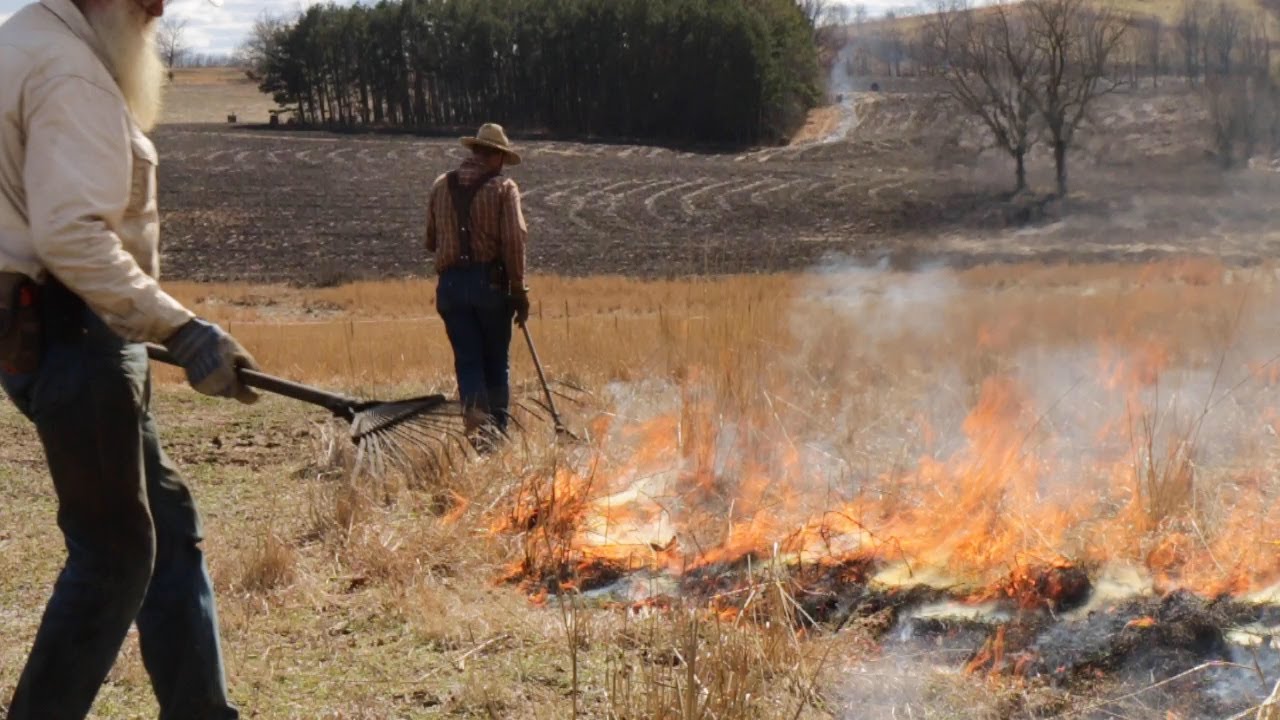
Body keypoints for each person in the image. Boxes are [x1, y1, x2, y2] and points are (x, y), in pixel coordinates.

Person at [0, 0, 254, 718]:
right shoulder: (68, 71)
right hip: (74, 335)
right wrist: (180, 329)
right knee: (114, 553)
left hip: (52, 328)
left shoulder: (20, 43)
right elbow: (73, 239)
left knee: (165, 527)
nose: (159, 8)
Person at [425, 123, 530, 450]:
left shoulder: (441, 185)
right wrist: (518, 290)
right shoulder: (503, 188)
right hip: (490, 286)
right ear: (497, 157)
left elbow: (430, 241)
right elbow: (514, 240)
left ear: (474, 151)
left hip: (451, 287)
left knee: (468, 363)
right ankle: (497, 440)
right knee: (496, 363)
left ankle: (479, 439)